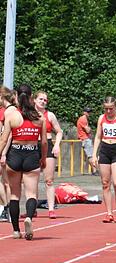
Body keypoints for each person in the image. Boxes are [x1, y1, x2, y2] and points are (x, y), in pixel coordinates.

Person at [0, 84, 47, 239]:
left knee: (14, 194)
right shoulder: (40, 118)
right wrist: (43, 158)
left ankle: (15, 230)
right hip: (31, 155)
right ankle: (28, 218)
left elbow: (4, 139)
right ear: (32, 97)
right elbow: (44, 142)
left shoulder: (12, 116)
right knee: (31, 193)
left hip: (14, 155)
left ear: (17, 97)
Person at [35, 90, 63, 219]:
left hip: (48, 145)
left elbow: (59, 131)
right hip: (33, 146)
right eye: (40, 99)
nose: (43, 102)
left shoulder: (50, 115)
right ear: (34, 100)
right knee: (32, 179)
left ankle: (51, 209)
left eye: (45, 100)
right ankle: (32, 209)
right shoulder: (30, 114)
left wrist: (57, 145)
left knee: (49, 180)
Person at [0, 86, 15, 222]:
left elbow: (8, 134)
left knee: (6, 182)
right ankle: (6, 208)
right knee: (5, 182)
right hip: (4, 147)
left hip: (5, 149)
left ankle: (8, 208)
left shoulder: (6, 112)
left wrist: (3, 152)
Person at [77, 107, 97, 175]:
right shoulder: (83, 119)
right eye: (88, 112)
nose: (89, 113)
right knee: (91, 155)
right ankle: (94, 170)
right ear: (84, 112)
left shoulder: (84, 118)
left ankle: (93, 170)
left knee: (90, 155)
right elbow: (88, 130)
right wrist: (90, 129)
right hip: (85, 139)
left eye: (89, 112)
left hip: (84, 138)